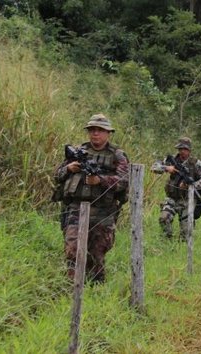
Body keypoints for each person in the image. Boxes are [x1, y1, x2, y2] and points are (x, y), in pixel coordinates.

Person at [53, 114, 129, 283]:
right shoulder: (78, 151)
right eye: (92, 130)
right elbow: (57, 175)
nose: (95, 134)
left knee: (96, 255)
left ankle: (96, 291)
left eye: (100, 130)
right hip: (75, 208)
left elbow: (124, 181)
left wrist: (100, 180)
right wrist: (69, 168)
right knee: (72, 250)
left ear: (108, 133)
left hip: (103, 212)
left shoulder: (117, 155)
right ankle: (72, 287)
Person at [154, 137, 201, 242]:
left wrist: (190, 185)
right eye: (180, 148)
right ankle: (167, 242)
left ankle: (181, 250)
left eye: (184, 149)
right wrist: (166, 168)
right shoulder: (171, 160)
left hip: (188, 200)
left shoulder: (196, 163)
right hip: (172, 198)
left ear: (189, 150)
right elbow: (154, 167)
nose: (182, 151)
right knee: (164, 218)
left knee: (186, 233)